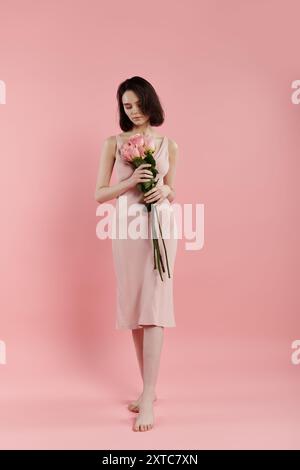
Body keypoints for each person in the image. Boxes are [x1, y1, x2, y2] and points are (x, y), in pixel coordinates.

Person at [95, 76, 179, 432]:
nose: (133, 111)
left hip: (160, 226)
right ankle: (149, 389)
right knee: (134, 306)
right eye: (127, 106)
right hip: (127, 228)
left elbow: (172, 190)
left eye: (138, 103)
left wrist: (163, 192)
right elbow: (100, 193)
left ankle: (147, 394)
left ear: (150, 102)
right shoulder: (114, 143)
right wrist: (131, 182)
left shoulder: (169, 144)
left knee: (155, 306)